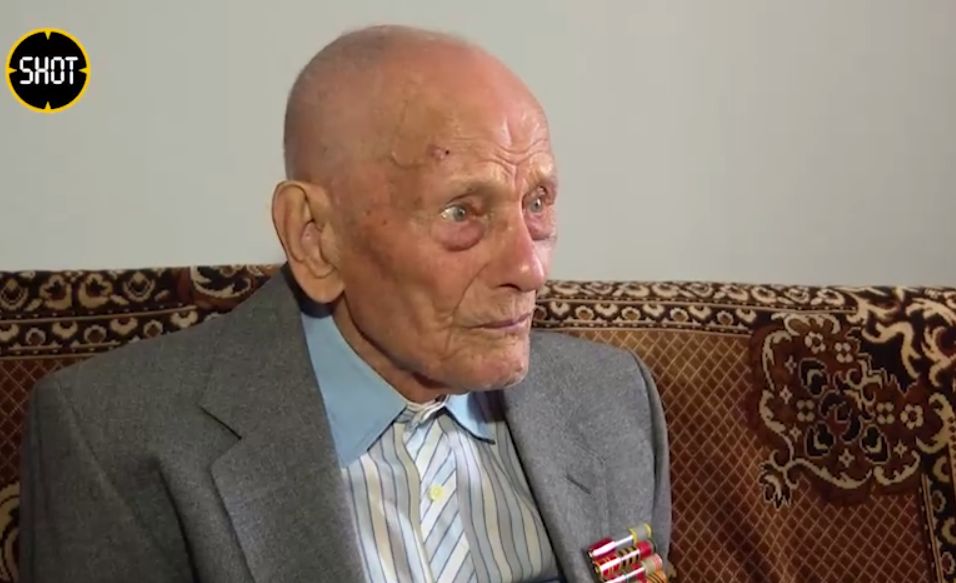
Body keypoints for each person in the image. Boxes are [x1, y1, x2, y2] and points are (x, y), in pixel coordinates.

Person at [18, 25, 671, 583]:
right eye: (461, 212)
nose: (529, 268)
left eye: (537, 201)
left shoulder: (612, 399)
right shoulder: (116, 440)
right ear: (316, 238)